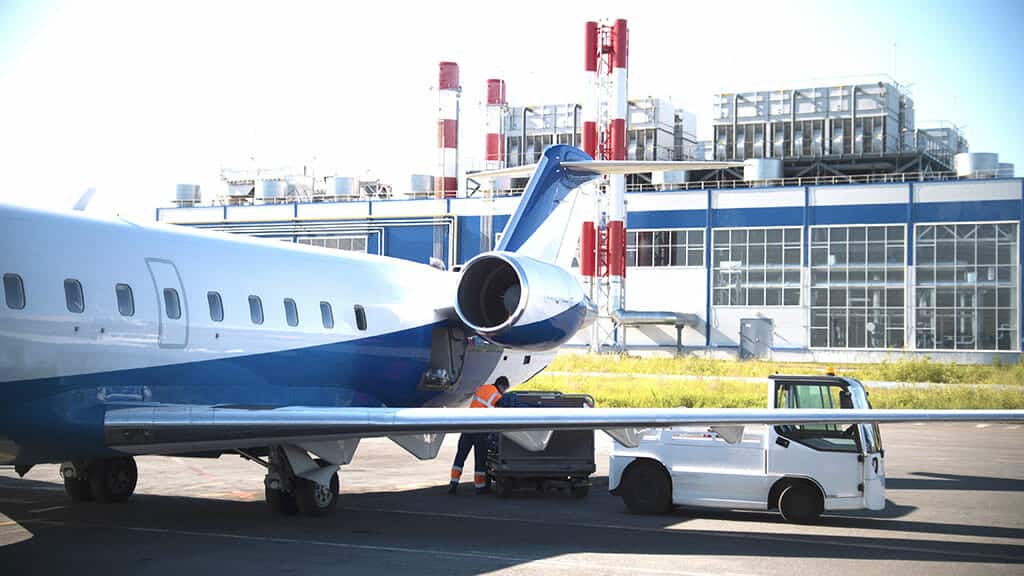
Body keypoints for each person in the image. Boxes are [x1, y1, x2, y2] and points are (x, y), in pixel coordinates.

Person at [448, 376, 510, 495]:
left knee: (460, 456)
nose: (503, 392)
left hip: (467, 426)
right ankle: (480, 487)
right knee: (480, 460)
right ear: (501, 386)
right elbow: (501, 409)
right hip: (480, 429)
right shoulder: (496, 395)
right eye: (504, 390)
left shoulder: (483, 388)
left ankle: (453, 483)